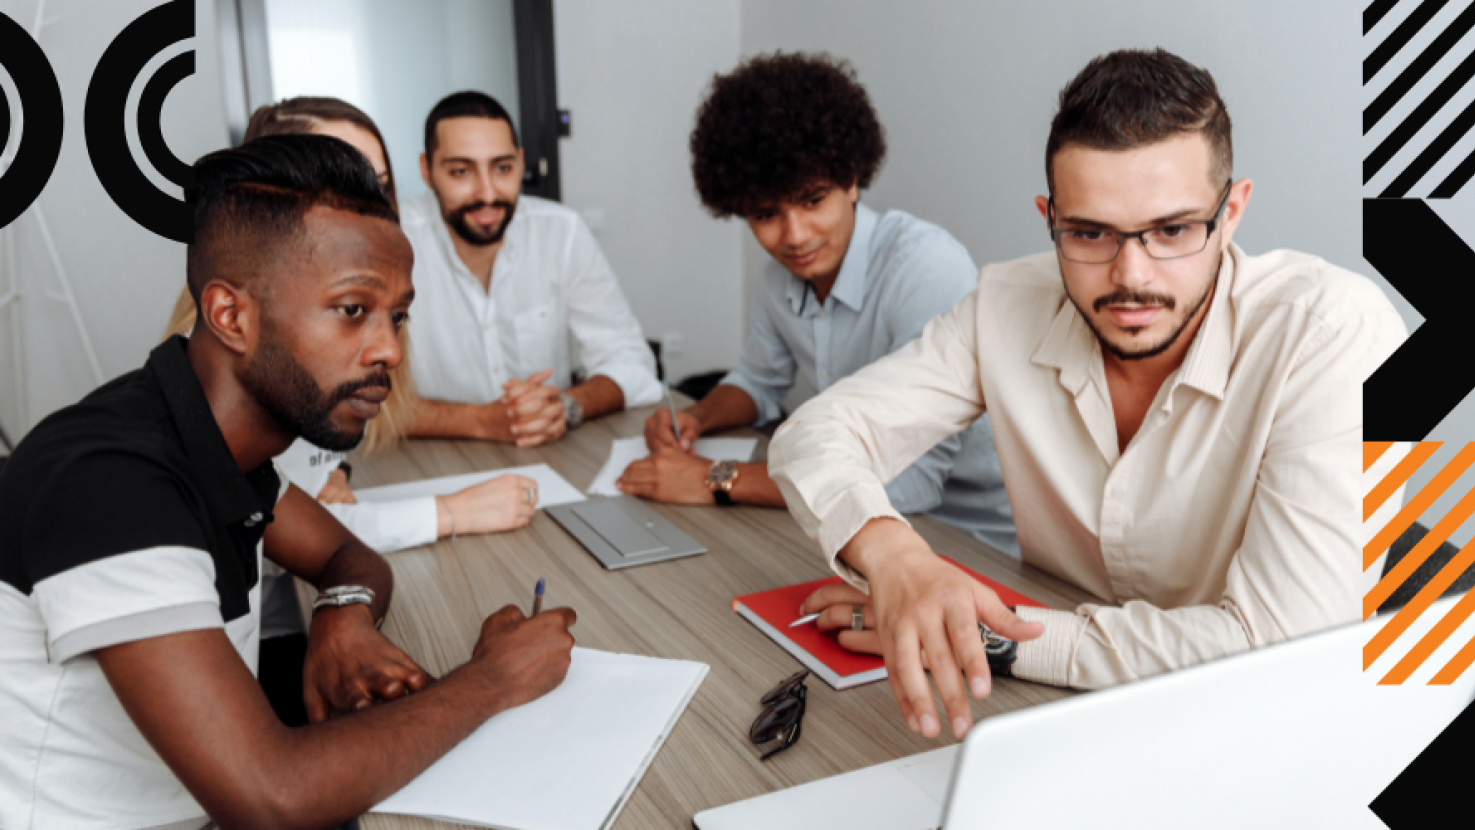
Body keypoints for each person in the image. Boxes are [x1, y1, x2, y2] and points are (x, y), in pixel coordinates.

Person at [770, 49, 1405, 741]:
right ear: (1049, 218)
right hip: (1060, 723)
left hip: (1273, 730)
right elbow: (816, 432)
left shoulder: (1333, 333)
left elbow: (1280, 650)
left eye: (1171, 230)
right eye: (1089, 233)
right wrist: (895, 557)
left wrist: (992, 639)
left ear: (1231, 213)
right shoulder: (1004, 305)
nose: (1130, 276)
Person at [0, 135, 577, 829]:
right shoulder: (114, 483)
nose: (389, 348)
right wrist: (495, 679)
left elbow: (346, 556)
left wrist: (341, 614)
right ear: (230, 316)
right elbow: (270, 797)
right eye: (351, 309)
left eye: (397, 314)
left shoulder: (216, 444)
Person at [163, 97, 542, 727]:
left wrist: (340, 592)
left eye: (377, 188)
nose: (388, 348)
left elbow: (326, 531)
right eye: (338, 184)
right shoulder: (173, 447)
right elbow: (266, 790)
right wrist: (449, 516)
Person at [620, 52, 1016, 556]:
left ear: (852, 179)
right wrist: (699, 416)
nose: (795, 236)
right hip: (851, 522)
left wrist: (713, 479)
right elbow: (758, 384)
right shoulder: (778, 279)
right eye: (766, 214)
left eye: (812, 200)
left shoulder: (924, 268)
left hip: (968, 539)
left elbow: (912, 486)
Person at [401, 91, 661, 447]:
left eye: (502, 167)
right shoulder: (391, 238)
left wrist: (564, 406)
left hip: (547, 452)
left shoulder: (562, 231)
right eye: (461, 171)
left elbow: (633, 364)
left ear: (521, 163)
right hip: (422, 462)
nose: (487, 193)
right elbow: (351, 401)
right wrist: (479, 421)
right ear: (426, 170)